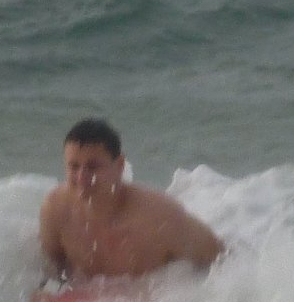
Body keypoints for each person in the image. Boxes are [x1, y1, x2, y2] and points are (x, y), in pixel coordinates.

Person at [38, 118, 224, 287]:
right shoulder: (56, 210)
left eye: (93, 167)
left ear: (119, 165)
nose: (82, 178)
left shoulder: (160, 217)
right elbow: (50, 272)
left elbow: (223, 262)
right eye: (74, 167)